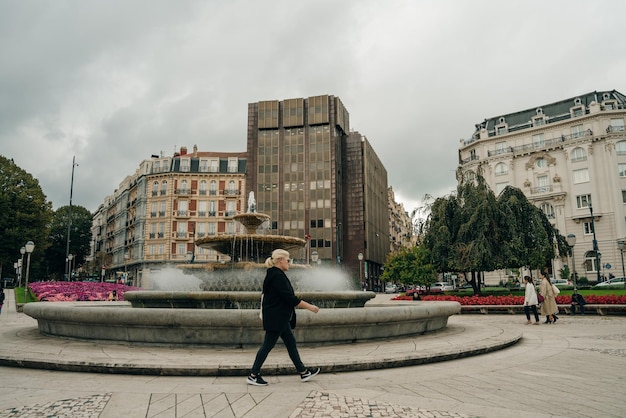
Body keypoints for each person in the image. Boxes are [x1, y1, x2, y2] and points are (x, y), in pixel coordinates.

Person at [247, 249, 321, 386]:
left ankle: (303, 372)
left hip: (278, 316)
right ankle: (253, 374)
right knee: (267, 345)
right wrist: (310, 307)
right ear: (281, 260)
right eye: (288, 260)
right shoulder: (277, 276)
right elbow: (290, 298)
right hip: (276, 317)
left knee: (290, 343)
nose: (289, 263)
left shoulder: (274, 274)